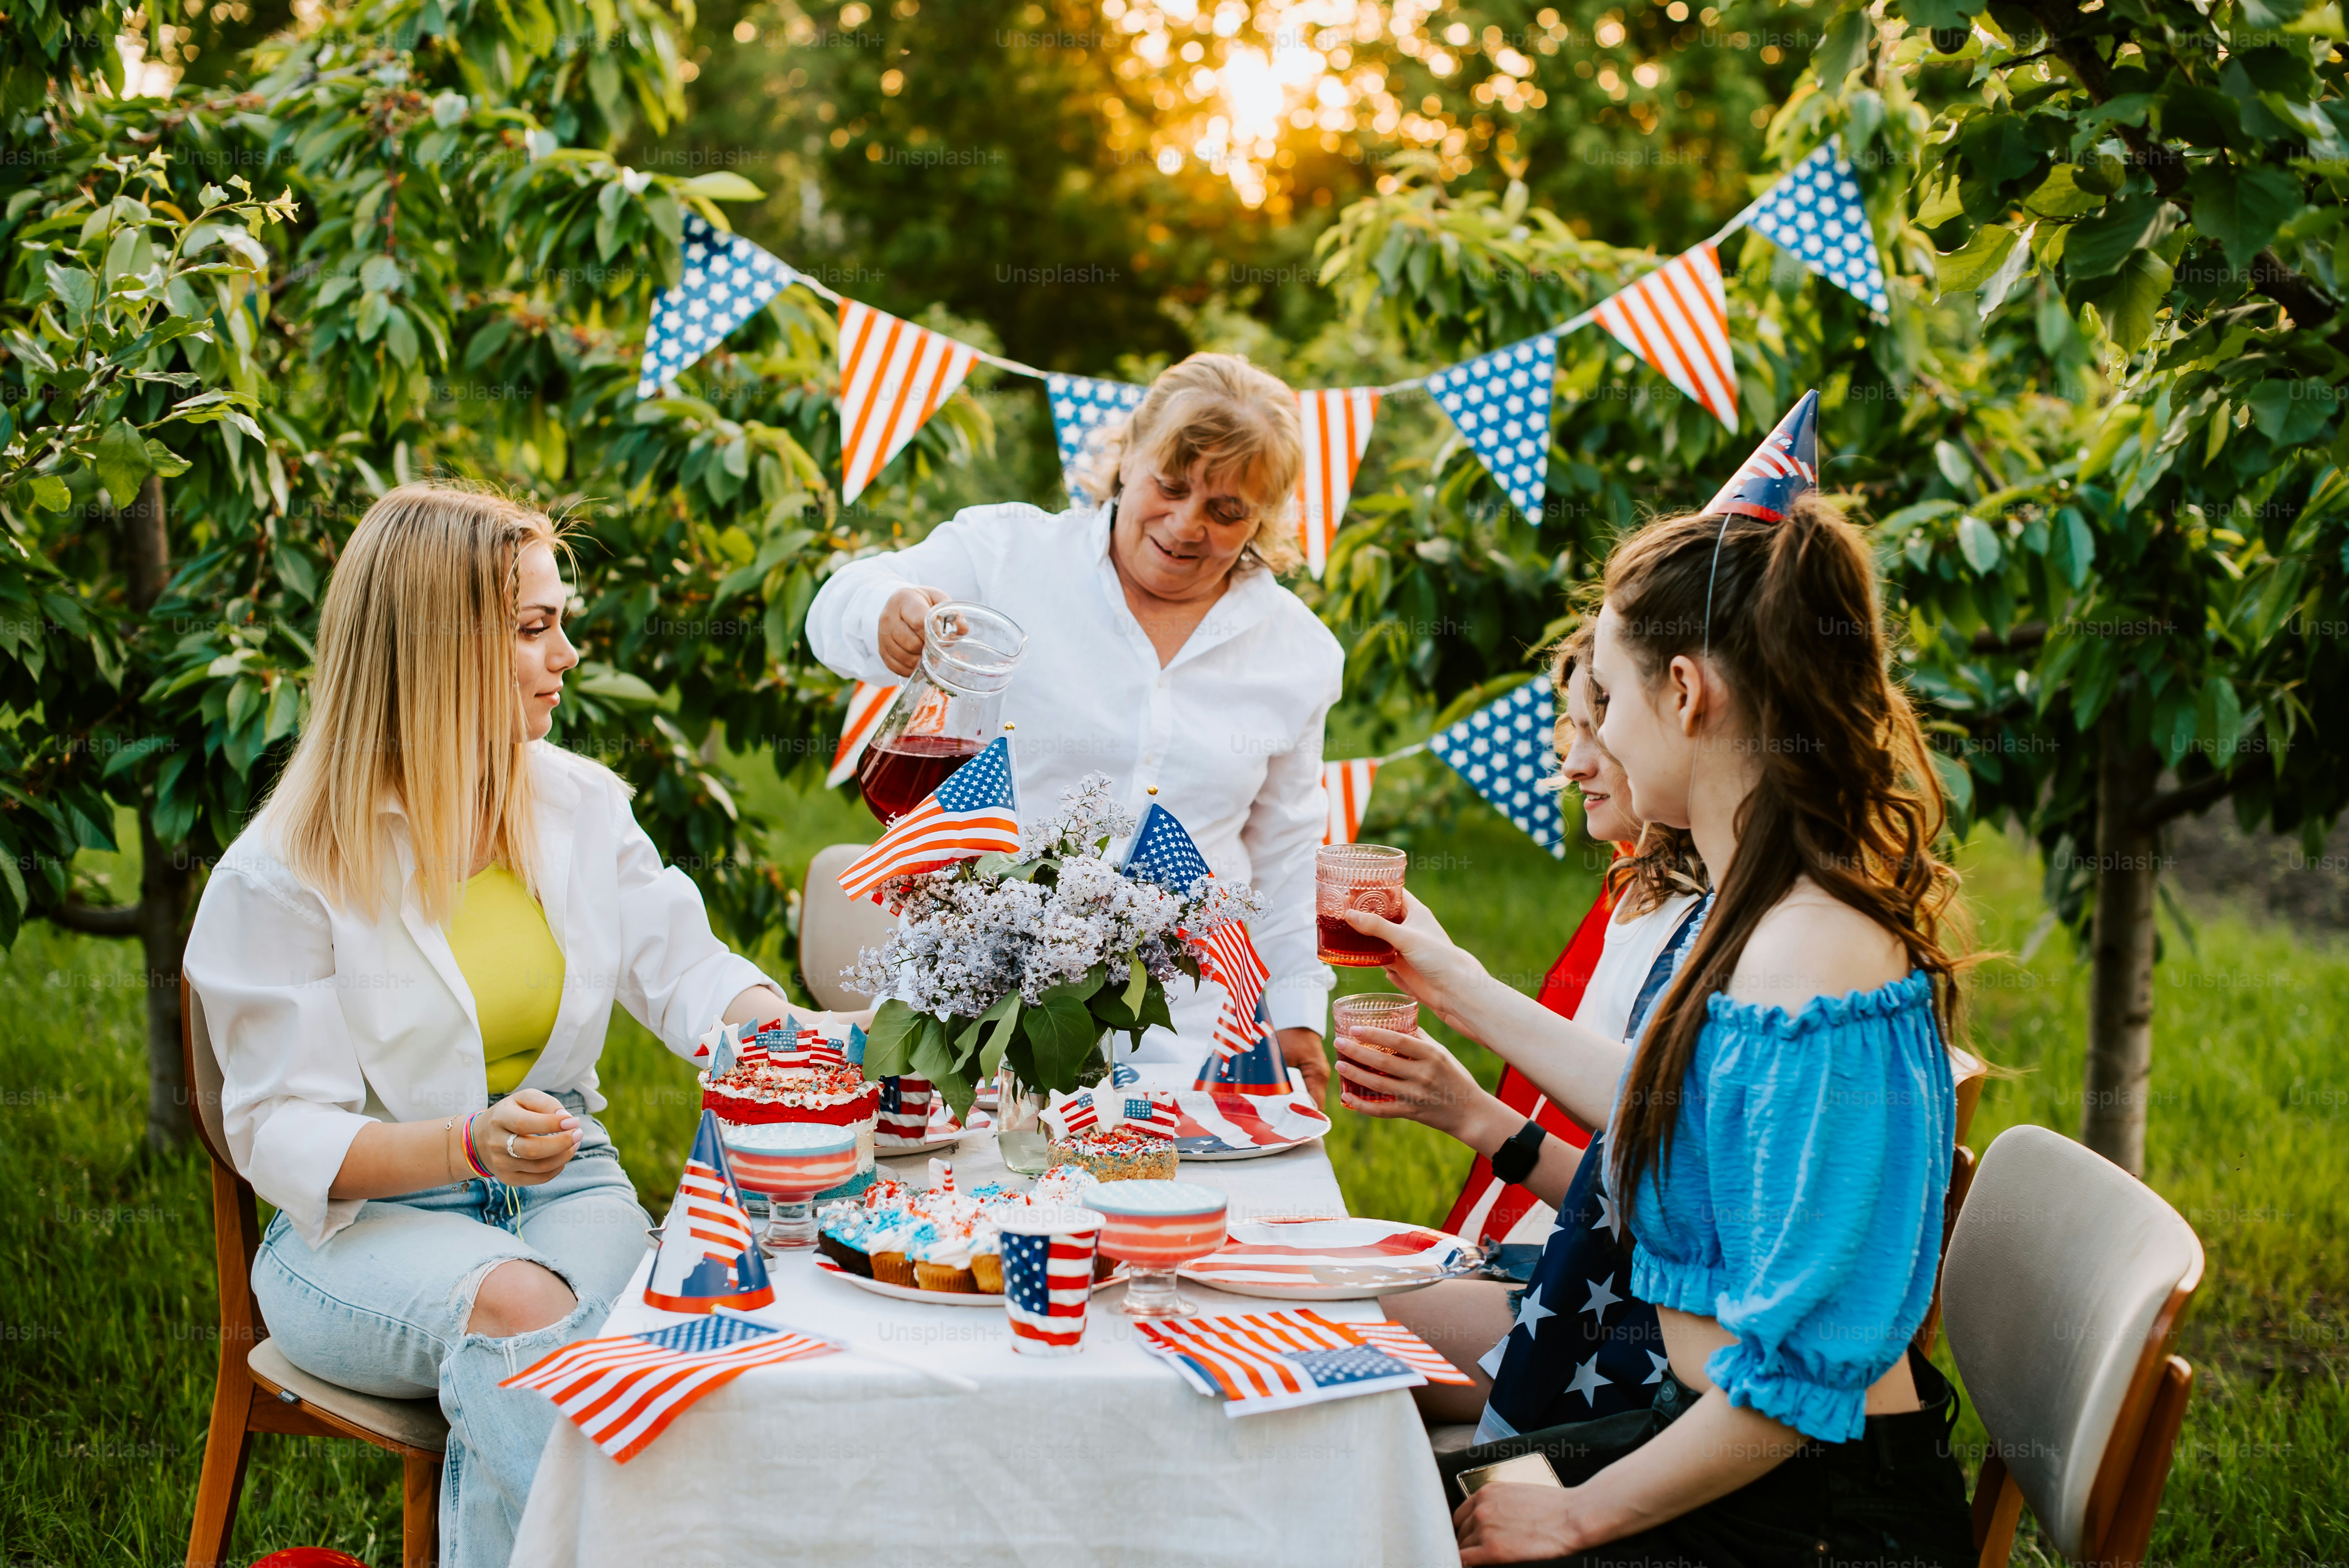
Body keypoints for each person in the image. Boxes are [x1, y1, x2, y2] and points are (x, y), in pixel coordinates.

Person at [184, 484, 849, 1568]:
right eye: (535, 629)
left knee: (667, 1336)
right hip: (353, 1235)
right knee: (526, 1315)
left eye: (561, 624)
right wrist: (465, 1145)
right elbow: (280, 1137)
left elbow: (686, 968)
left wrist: (787, 1033)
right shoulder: (283, 870)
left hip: (566, 1184)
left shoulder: (579, 805)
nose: (568, 655)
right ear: (438, 652)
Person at [1341, 467, 1977, 1565]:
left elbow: (1793, 1382)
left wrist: (1575, 1515)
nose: (1592, 739)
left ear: (1686, 693)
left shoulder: (1813, 959)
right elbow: (1681, 1113)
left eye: (1610, 697)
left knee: (1358, 1507)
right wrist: (1455, 988)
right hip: (1721, 1448)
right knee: (1344, 1454)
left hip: (1811, 1516)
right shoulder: (1763, 910)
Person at [808, 353, 1342, 1095]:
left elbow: (1286, 856)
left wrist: (1297, 1018)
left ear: (1264, 518)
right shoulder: (1009, 555)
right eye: (1172, 485)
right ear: (1127, 458)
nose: (1187, 526)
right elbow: (842, 603)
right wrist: (884, 611)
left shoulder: (1300, 652)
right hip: (977, 1003)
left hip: (1183, 1031)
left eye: (1227, 512)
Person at [1352, 621, 1705, 1433]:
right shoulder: (1642, 897)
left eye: (1601, 723)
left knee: (1321, 1333)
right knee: (1308, 1292)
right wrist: (1471, 1113)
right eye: (1569, 728)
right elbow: (1627, 1183)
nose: (1571, 760)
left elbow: (1656, 1166)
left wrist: (1460, 1000)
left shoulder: (1720, 937)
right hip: (1592, 1286)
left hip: (1627, 1336)